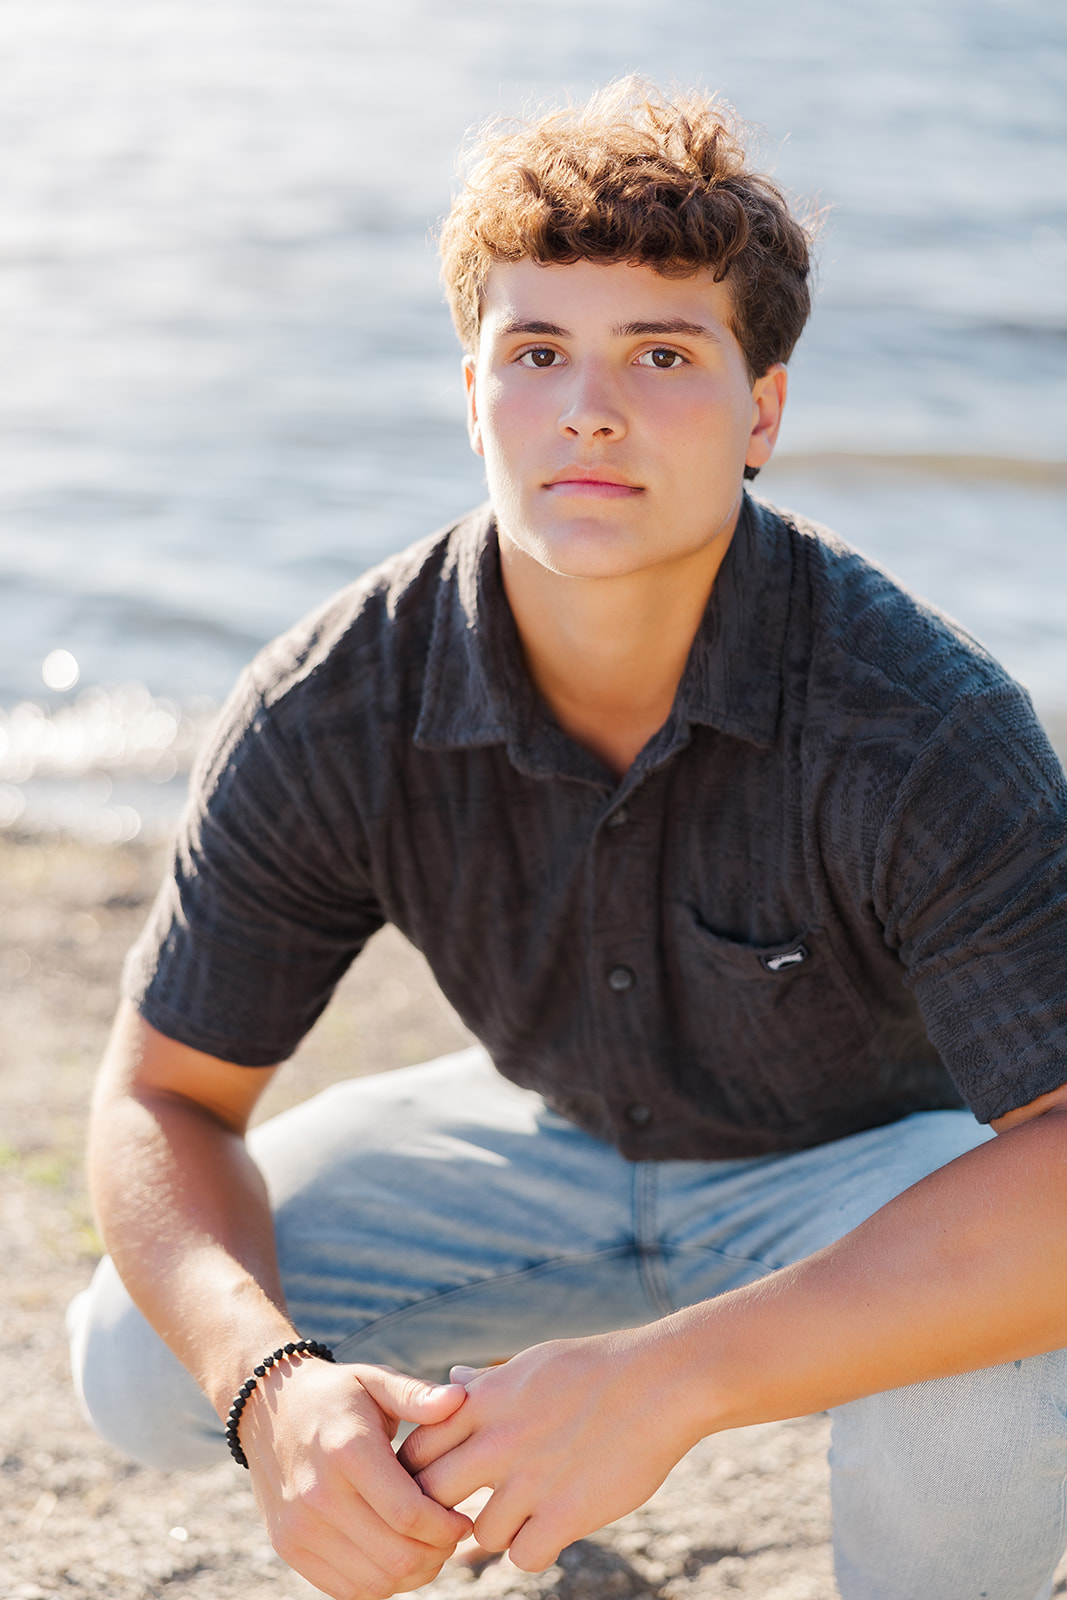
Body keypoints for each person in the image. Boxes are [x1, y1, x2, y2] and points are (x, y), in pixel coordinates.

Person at [69, 79, 1067, 1600]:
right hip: (547, 1137)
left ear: (764, 414)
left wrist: (661, 1382)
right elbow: (161, 1101)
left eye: (661, 354)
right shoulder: (335, 701)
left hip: (872, 1179)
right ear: (473, 396)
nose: (588, 408)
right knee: (146, 1354)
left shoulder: (918, 723)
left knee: (999, 1379)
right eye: (536, 353)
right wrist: (275, 1388)